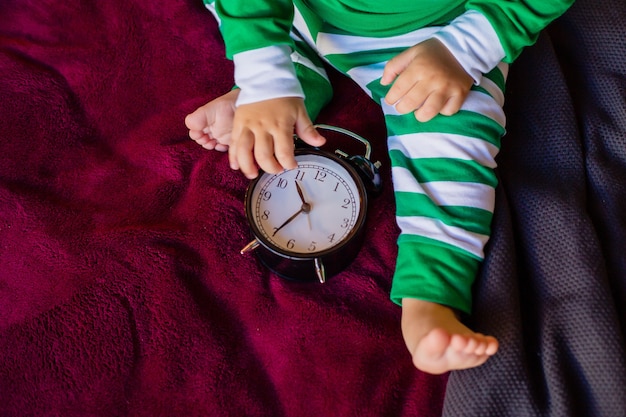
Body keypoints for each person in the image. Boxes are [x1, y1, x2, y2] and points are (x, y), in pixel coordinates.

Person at [185, 0, 573, 374]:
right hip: (295, 12)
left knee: (454, 143)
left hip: (435, 38)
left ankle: (429, 299)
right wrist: (263, 78)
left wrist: (468, 47)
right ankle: (291, 73)